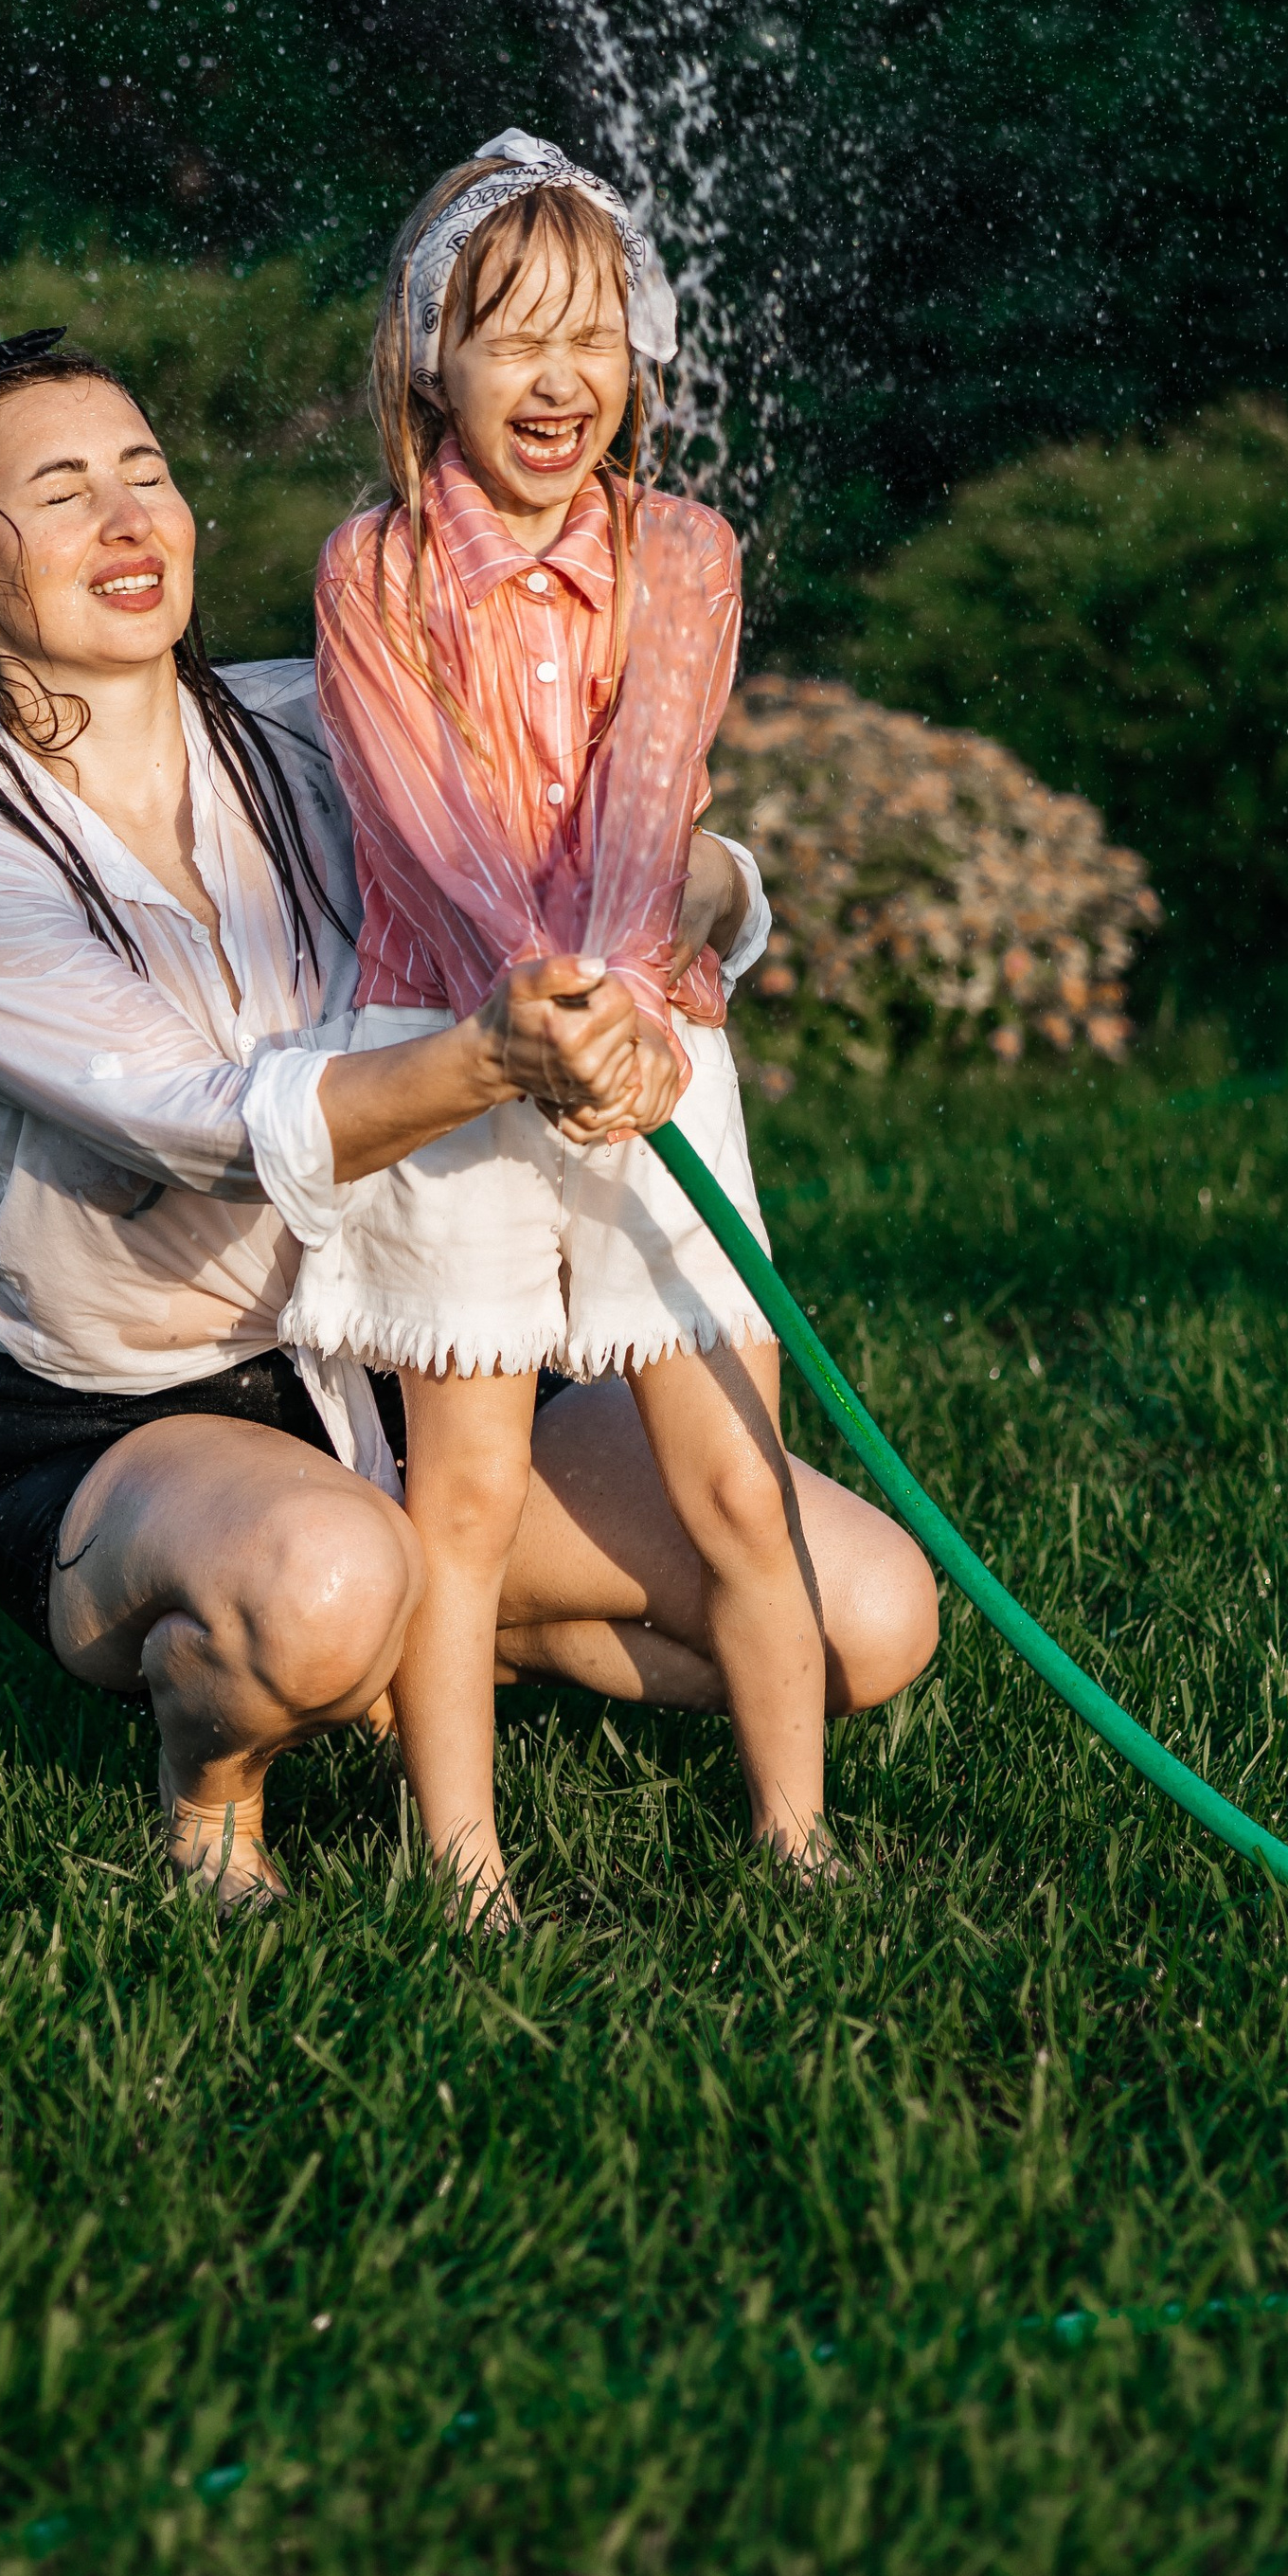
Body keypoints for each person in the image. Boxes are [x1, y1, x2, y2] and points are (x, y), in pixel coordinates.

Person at [0, 322, 938, 1914]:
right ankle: (214, 1795)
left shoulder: (322, 715)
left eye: (147, 474)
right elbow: (206, 1124)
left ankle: (430, 1634)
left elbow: (653, 858)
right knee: (324, 1579)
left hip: (437, 1353)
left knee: (875, 1614)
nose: (130, 517)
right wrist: (497, 1055)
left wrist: (657, 946)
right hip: (143, 1420)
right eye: (64, 490)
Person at [297, 135, 839, 1927]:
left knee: (739, 1485)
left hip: (649, 1056)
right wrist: (543, 1013)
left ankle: (800, 1846)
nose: (559, 380)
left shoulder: (684, 552)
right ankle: (467, 1882)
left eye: (594, 336)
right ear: (428, 359)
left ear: (639, 356)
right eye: (512, 336)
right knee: (462, 1491)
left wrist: (625, 1025)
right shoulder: (375, 571)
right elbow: (432, 826)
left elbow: (648, 791)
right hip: (457, 1058)